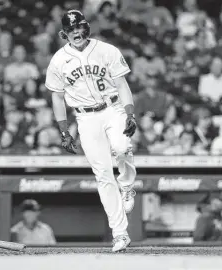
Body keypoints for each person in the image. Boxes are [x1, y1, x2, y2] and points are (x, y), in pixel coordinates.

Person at [45, 10, 137, 252]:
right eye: (71, 29)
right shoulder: (58, 60)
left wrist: (130, 113)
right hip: (85, 118)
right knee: (103, 175)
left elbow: (122, 84)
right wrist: (64, 131)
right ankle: (120, 234)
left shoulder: (106, 50)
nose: (76, 32)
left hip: (113, 107)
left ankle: (127, 184)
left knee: (121, 147)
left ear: (86, 27)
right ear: (63, 33)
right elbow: (57, 97)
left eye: (79, 27)